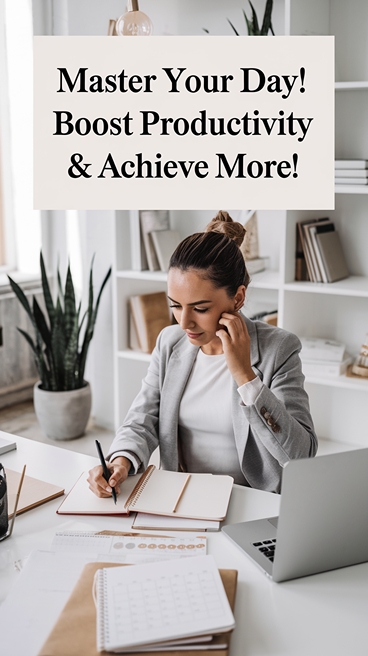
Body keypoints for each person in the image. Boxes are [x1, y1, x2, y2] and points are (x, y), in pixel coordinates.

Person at [88, 211, 317, 497]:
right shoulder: (170, 343)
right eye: (175, 305)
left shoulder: (278, 349)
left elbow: (301, 456)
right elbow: (143, 417)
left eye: (200, 308)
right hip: (182, 498)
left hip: (251, 500)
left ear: (238, 297)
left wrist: (246, 376)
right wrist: (120, 461)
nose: (183, 323)